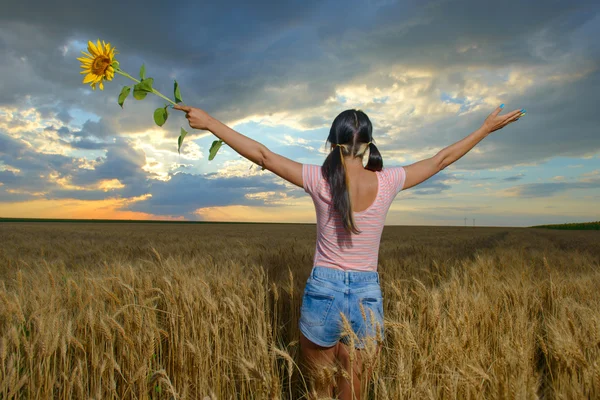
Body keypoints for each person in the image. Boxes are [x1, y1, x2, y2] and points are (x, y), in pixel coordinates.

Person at [174, 103, 524, 399]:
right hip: (366, 297)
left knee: (319, 393)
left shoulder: (318, 178)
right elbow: (441, 160)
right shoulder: (388, 181)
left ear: (332, 142)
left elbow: (264, 155)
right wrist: (485, 129)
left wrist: (210, 123)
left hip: (322, 292)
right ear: (369, 144)